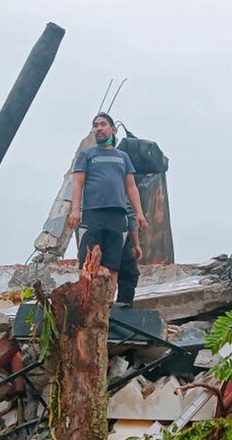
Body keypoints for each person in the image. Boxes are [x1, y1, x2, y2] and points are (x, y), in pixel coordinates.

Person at [67, 113, 148, 293]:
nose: (99, 128)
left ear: (113, 129)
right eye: (95, 125)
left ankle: (107, 305)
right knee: (87, 262)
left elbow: (131, 187)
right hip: (92, 214)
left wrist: (139, 213)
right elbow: (78, 184)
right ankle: (85, 301)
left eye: (103, 124)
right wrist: (75, 209)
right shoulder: (86, 155)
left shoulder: (123, 157)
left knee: (113, 264)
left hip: (117, 216)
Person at [115, 203, 142, 307]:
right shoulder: (119, 186)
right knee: (129, 274)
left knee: (128, 273)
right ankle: (123, 309)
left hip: (93, 230)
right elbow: (129, 212)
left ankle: (121, 307)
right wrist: (136, 244)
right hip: (117, 230)